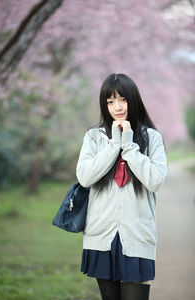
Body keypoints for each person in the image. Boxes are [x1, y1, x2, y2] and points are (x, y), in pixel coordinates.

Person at [76, 73, 168, 300]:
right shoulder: (94, 138)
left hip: (137, 235)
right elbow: (85, 178)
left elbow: (155, 180)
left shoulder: (152, 138)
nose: (117, 107)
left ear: (133, 100)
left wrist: (128, 145)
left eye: (123, 99)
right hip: (101, 235)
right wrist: (114, 143)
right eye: (110, 101)